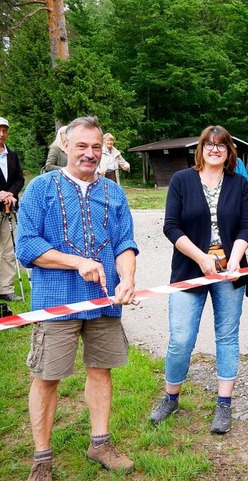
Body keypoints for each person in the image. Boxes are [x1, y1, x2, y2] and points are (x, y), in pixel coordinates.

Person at [16, 116, 138, 479]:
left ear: (104, 150)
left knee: (100, 370)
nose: (89, 153)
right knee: (47, 375)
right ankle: (42, 458)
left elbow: (124, 243)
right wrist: (76, 262)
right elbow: (27, 247)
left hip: (103, 299)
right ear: (66, 145)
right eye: (82, 146)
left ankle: (100, 444)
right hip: (55, 300)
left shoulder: (113, 192)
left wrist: (127, 278)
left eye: (96, 147)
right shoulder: (41, 188)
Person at [150, 125, 248, 434]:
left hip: (229, 270)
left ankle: (224, 405)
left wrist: (234, 259)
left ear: (229, 151)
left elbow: (246, 226)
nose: (215, 149)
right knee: (181, 339)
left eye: (221, 145)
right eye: (209, 144)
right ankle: (171, 398)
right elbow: (171, 226)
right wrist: (201, 258)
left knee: (227, 337)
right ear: (200, 149)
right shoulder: (182, 181)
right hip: (189, 269)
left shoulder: (238, 184)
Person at [0, 116, 25, 302]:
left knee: (8, 250)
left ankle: (5, 288)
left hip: (8, 208)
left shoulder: (12, 154)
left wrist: (10, 194)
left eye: (5, 130)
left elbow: (19, 179)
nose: (2, 134)